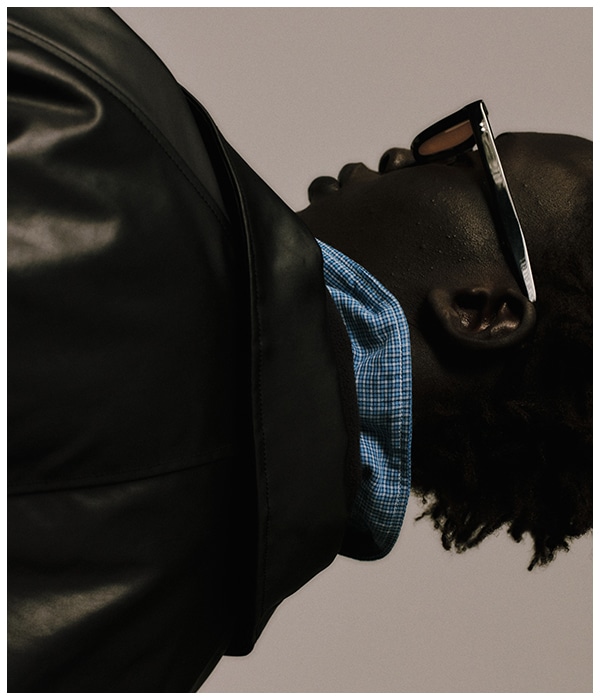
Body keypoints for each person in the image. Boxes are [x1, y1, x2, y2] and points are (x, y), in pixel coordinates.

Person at [7, 7, 592, 693]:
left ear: (479, 311)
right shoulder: (151, 656)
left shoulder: (89, 120)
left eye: (466, 159)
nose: (402, 156)